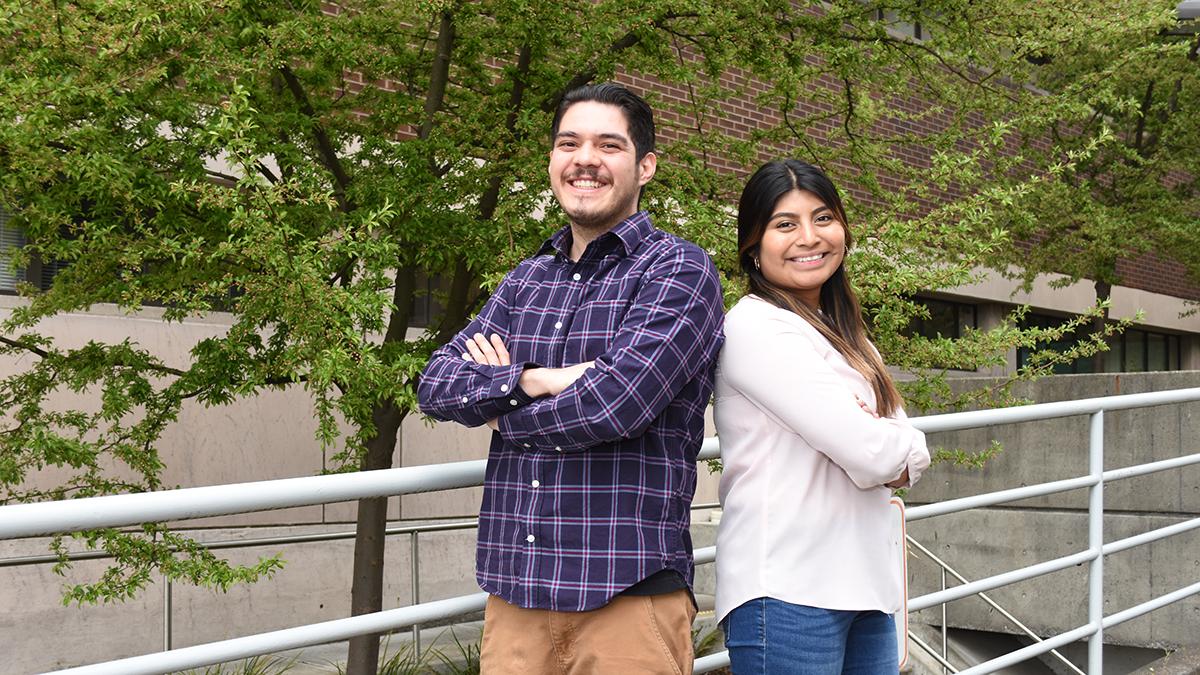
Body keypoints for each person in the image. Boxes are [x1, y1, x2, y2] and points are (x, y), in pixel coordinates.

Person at [418, 82, 724, 675]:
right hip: (515, 595)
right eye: (568, 143)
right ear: (553, 162)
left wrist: (498, 400)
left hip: (627, 593)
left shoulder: (679, 268)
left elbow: (615, 405)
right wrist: (536, 380)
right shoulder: (525, 279)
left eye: (609, 145)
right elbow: (435, 384)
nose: (585, 159)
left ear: (646, 166)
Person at [714, 159, 930, 674]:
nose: (809, 237)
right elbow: (873, 454)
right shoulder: (756, 329)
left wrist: (892, 445)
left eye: (823, 218)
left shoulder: (848, 335)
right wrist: (886, 444)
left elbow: (901, 448)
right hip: (788, 590)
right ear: (753, 247)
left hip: (866, 586)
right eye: (785, 224)